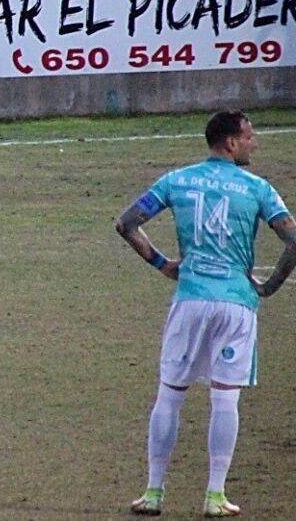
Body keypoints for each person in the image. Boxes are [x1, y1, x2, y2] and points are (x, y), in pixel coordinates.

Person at [114, 110, 296, 518]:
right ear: (230, 142)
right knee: (224, 399)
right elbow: (294, 240)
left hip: (191, 299)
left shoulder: (177, 180)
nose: (254, 143)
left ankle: (153, 492)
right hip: (235, 303)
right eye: (249, 136)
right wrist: (267, 287)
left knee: (170, 394)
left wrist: (164, 264)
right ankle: (215, 495)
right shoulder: (258, 188)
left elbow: (126, 223)